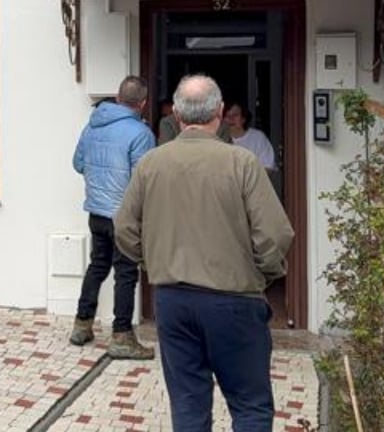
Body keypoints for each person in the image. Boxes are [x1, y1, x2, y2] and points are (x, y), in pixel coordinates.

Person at [115, 74, 294, 431]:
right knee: (250, 408)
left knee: (189, 409)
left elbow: (124, 228)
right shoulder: (241, 163)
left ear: (177, 116)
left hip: (173, 300)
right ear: (220, 112)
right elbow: (275, 235)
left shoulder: (151, 164)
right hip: (234, 299)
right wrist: (262, 275)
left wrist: (153, 262)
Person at [68, 76, 156, 359]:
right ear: (142, 103)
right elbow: (144, 181)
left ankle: (82, 324)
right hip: (124, 215)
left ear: (118, 98)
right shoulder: (141, 133)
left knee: (98, 266)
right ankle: (121, 336)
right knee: (126, 273)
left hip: (96, 210)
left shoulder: (92, 125)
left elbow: (78, 163)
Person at [224, 102, 276, 171]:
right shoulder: (218, 139)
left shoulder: (258, 138)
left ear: (243, 119)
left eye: (235, 115)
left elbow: (268, 167)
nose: (231, 119)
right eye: (227, 116)